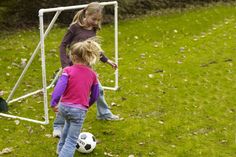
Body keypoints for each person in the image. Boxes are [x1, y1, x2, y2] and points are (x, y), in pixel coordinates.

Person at [53, 2, 120, 138]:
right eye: (93, 19)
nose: (96, 22)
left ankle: (104, 114)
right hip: (73, 68)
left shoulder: (93, 29)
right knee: (66, 96)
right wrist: (65, 64)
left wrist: (106, 60)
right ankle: (58, 126)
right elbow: (63, 45)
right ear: (86, 14)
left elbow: (93, 49)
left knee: (99, 90)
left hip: (87, 69)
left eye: (98, 20)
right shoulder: (74, 28)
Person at [51, 39, 101, 157]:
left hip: (63, 108)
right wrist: (87, 104)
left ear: (73, 56)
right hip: (79, 110)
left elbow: (59, 88)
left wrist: (54, 103)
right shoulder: (93, 75)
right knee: (72, 140)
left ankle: (60, 150)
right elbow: (95, 94)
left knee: (66, 128)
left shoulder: (67, 70)